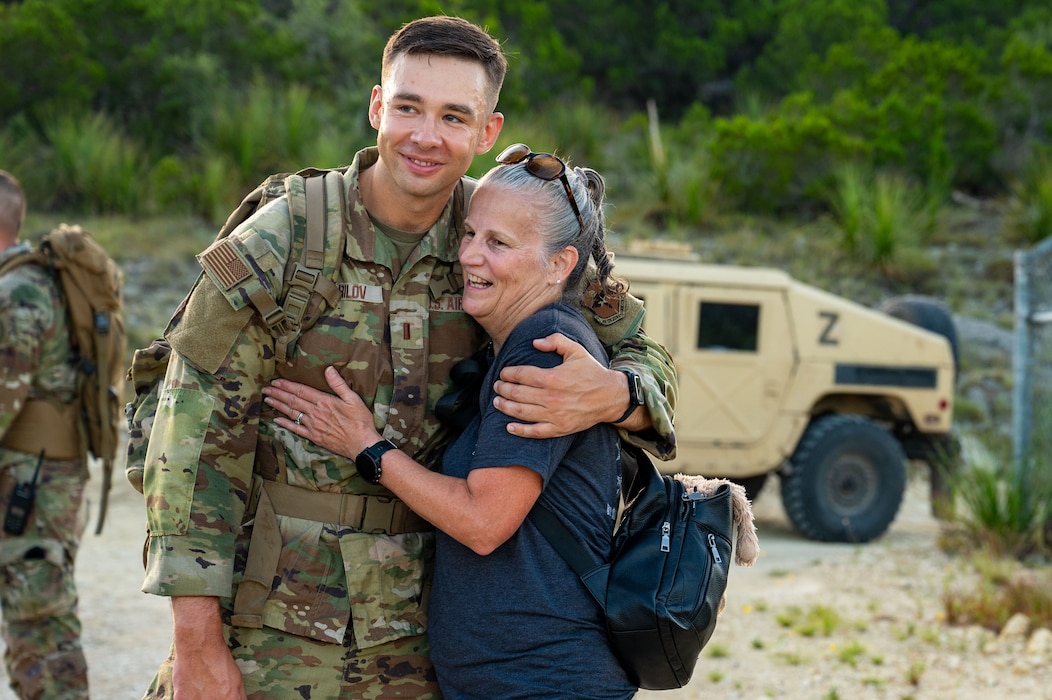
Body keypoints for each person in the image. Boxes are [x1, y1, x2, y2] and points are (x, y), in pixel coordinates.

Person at [141, 16, 676, 700]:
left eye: (455, 116)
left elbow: (643, 351)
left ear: (487, 131)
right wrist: (197, 644)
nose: (426, 136)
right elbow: (189, 443)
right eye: (407, 108)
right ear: (376, 108)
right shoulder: (289, 236)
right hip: (275, 630)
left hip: (425, 643)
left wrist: (618, 395)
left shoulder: (502, 232)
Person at [265, 147, 639, 698]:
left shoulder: (542, 352)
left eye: (499, 244)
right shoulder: (515, 341)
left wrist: (365, 446)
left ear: (559, 264)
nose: (469, 256)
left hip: (544, 682)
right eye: (469, 234)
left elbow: (484, 522)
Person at [0, 170, 91, 699]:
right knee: (35, 619)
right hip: (38, 475)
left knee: (40, 626)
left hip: (32, 483)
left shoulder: (18, 290)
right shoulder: (27, 281)